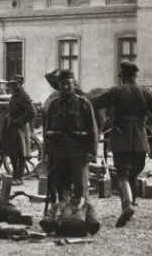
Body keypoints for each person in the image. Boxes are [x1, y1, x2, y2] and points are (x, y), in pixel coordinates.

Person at [91, 62, 152, 228]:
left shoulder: (116, 91)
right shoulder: (146, 92)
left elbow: (93, 103)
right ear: (135, 76)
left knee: (122, 174)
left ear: (122, 76)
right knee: (134, 174)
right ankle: (131, 205)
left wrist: (79, 99)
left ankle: (127, 205)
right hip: (140, 139)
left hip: (120, 137)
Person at [42, 69, 98, 205]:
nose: (66, 87)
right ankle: (63, 213)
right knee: (60, 185)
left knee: (79, 187)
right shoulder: (53, 105)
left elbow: (93, 130)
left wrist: (92, 152)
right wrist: (46, 153)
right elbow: (46, 131)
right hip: (58, 152)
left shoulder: (83, 104)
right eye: (62, 84)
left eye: (68, 83)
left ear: (74, 84)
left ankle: (77, 215)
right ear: (59, 86)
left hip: (77, 153)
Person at [1, 74, 35, 184]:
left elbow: (32, 112)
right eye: (12, 84)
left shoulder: (23, 96)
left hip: (20, 129)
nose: (12, 86)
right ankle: (15, 176)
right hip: (12, 127)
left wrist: (17, 121)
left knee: (21, 153)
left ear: (20, 84)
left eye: (15, 84)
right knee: (13, 153)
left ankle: (20, 177)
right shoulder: (14, 95)